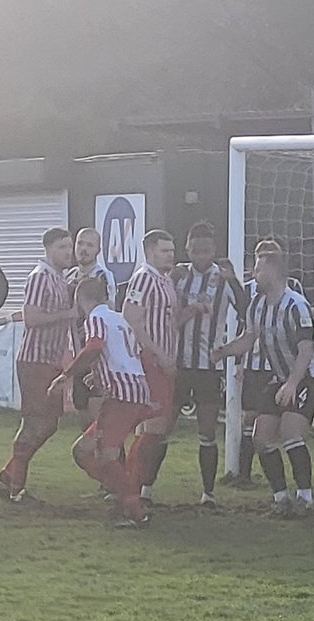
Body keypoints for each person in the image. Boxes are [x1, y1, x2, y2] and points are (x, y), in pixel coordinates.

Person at [212, 245, 314, 516]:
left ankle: (306, 498)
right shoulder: (258, 305)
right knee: (261, 438)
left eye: (258, 269)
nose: (254, 274)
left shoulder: (296, 305)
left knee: (290, 432)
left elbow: (306, 350)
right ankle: (280, 498)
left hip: (309, 377)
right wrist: (224, 351)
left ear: (273, 272)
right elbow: (248, 339)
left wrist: (292, 384)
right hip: (282, 377)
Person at [46, 277, 150, 529]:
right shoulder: (118, 319)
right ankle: (123, 493)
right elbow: (124, 354)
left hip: (122, 396)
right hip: (135, 389)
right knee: (82, 451)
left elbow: (94, 347)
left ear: (81, 300)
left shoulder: (95, 318)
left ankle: (134, 510)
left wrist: (67, 374)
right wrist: (99, 374)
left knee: (106, 454)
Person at [0, 228, 75, 502]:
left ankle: (8, 475)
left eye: (69, 247)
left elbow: (30, 312)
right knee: (34, 422)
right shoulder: (40, 277)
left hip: (49, 359)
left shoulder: (58, 278)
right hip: (35, 360)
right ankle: (17, 488)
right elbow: (34, 318)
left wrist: (4, 319)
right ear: (49, 248)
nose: (68, 252)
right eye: (63, 247)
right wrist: (70, 313)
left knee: (49, 423)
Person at [170, 222, 247, 508]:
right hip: (178, 365)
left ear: (213, 250)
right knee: (163, 425)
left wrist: (235, 281)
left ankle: (208, 493)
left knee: (207, 430)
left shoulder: (223, 278)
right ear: (188, 248)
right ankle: (145, 489)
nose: (200, 255)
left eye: (206, 250)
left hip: (207, 367)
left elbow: (246, 312)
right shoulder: (177, 275)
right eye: (195, 249)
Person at [228, 238, 305, 487]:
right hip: (255, 363)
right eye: (261, 255)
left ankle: (296, 486)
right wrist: (238, 360)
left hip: (282, 367)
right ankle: (243, 472)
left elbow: (303, 329)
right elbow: (245, 327)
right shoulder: (251, 290)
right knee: (251, 417)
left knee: (279, 424)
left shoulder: (293, 290)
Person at [122, 230, 178, 505]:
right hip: (148, 361)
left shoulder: (164, 279)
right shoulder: (143, 278)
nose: (170, 255)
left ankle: (137, 487)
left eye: (172, 250)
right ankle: (129, 486)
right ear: (149, 251)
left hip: (162, 361)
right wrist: (158, 354)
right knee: (154, 426)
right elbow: (131, 316)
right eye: (165, 250)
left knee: (154, 428)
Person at [65, 228, 117, 430]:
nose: (84, 249)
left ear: (98, 250)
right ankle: (93, 461)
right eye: (80, 244)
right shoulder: (69, 276)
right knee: (83, 413)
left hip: (97, 353)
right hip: (78, 352)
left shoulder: (102, 276)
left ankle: (113, 459)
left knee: (100, 421)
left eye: (89, 245)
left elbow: (110, 311)